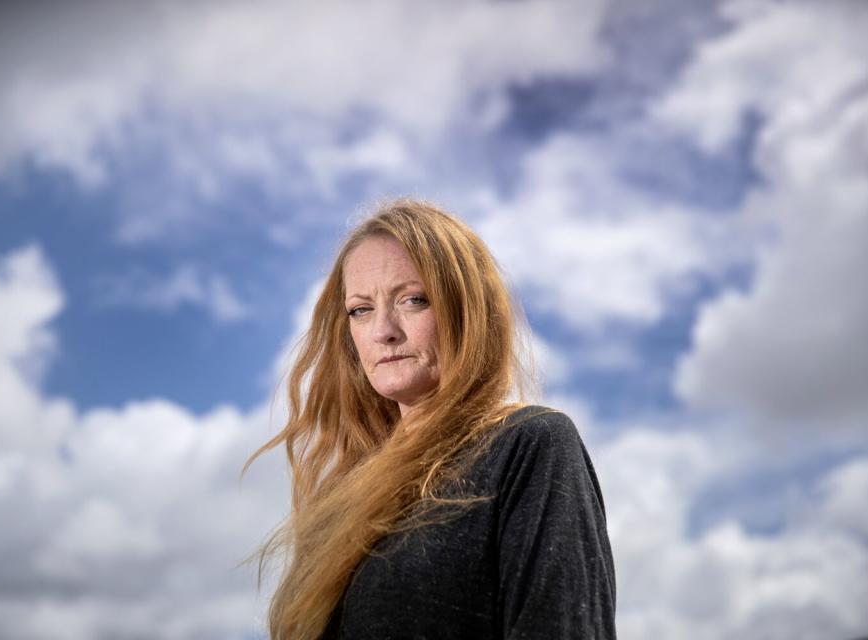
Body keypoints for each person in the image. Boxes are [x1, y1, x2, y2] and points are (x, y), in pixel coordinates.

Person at [247, 199, 616, 639]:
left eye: (413, 300)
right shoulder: (340, 502)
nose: (384, 330)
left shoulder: (527, 445)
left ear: (467, 311)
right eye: (361, 310)